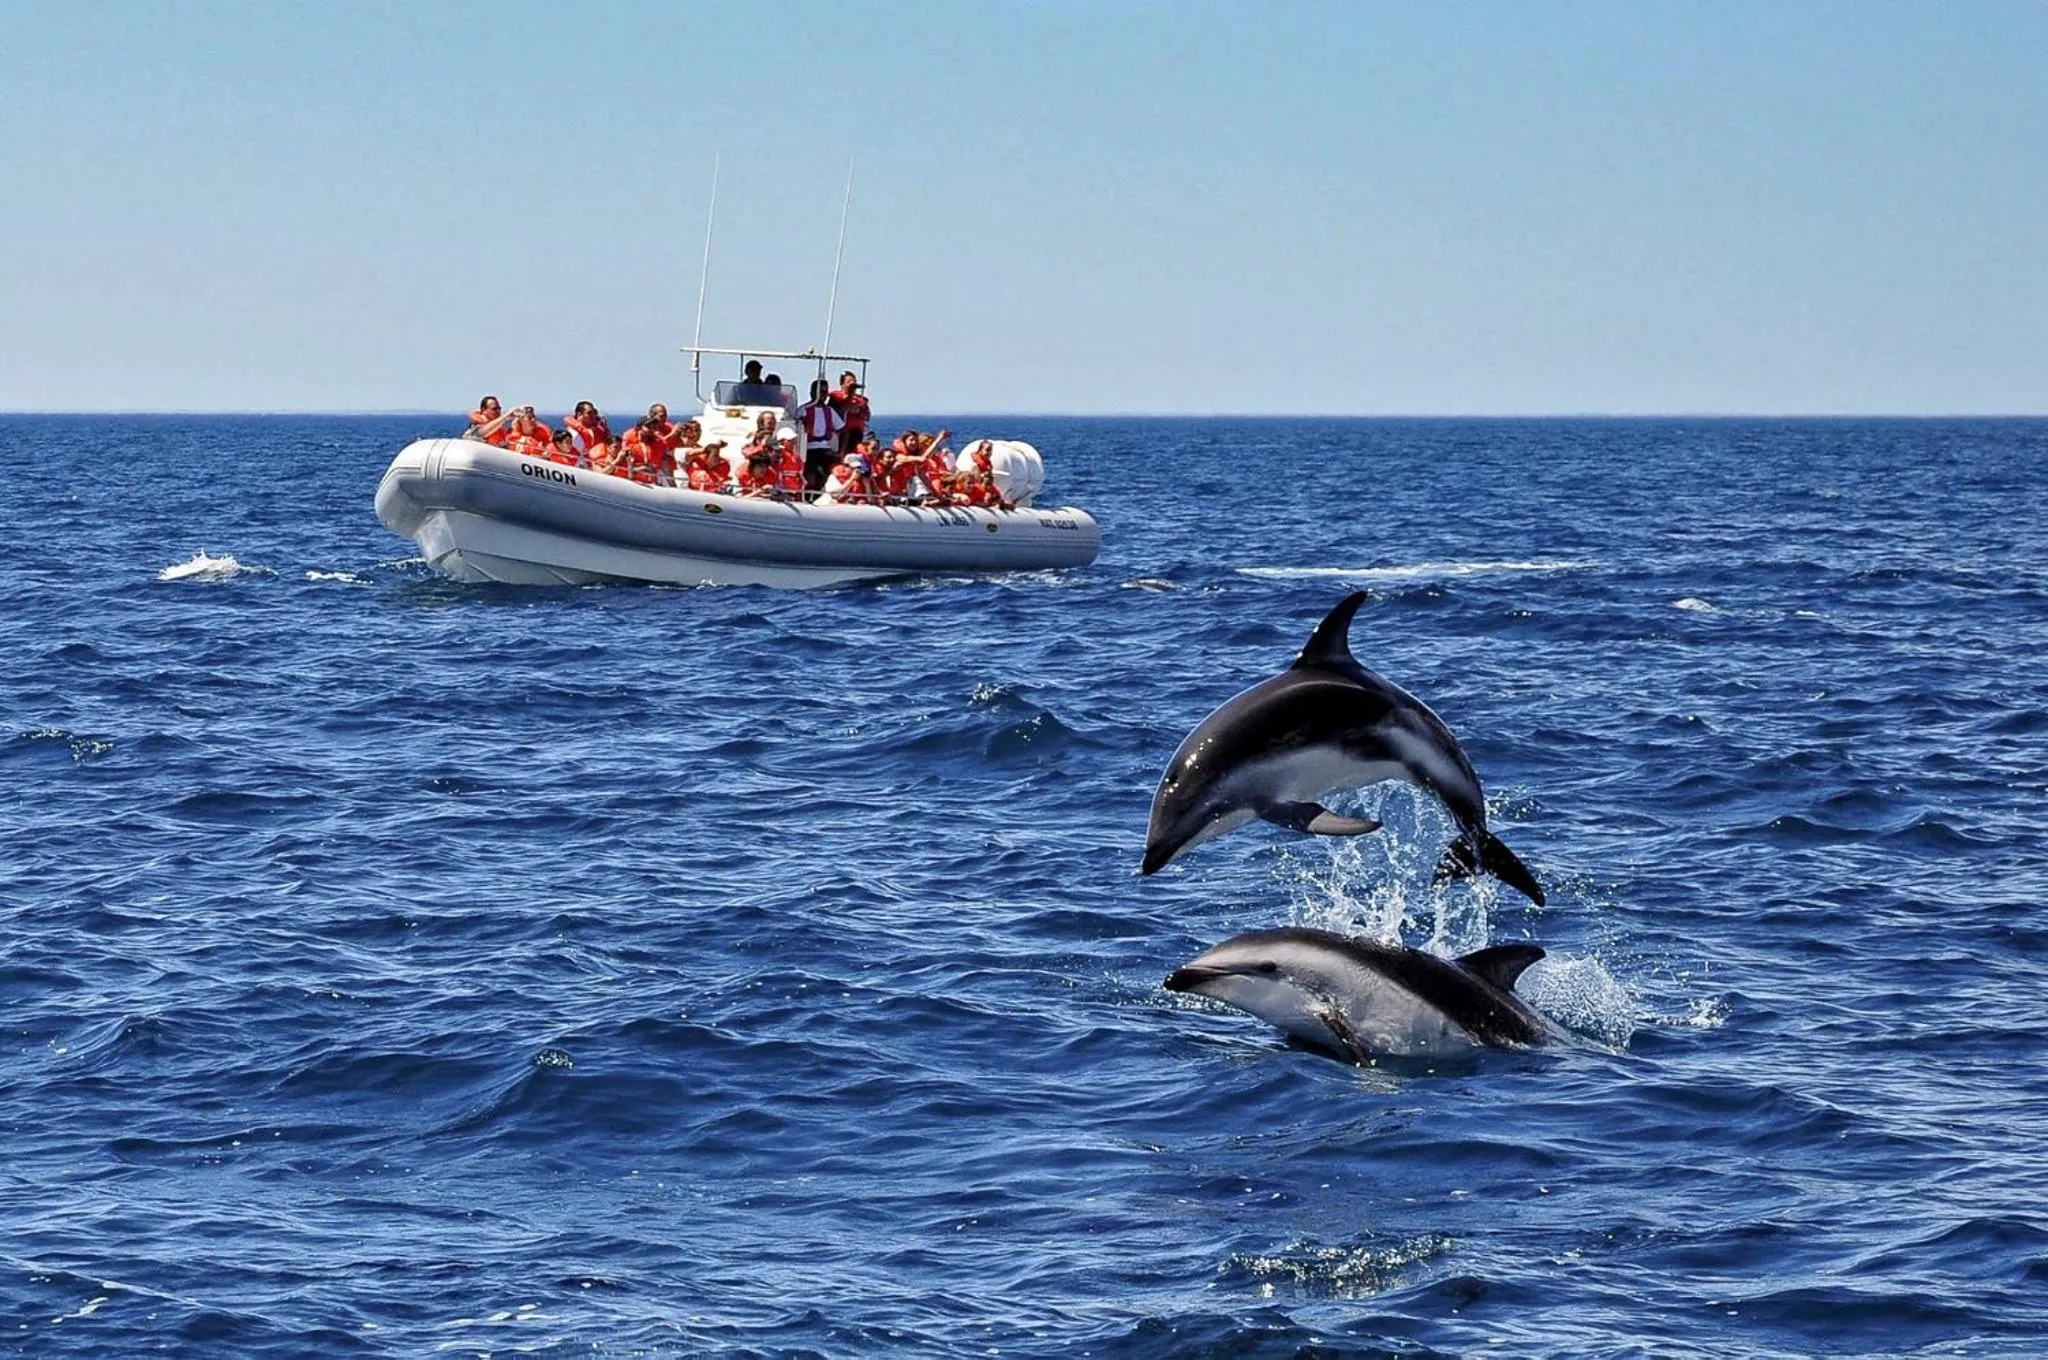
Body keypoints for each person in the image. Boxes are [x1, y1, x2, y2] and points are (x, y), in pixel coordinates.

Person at [798, 377, 846, 495]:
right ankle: (809, 495)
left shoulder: (829, 411)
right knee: (812, 473)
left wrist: (841, 451)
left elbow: (842, 430)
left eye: (825, 392)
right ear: (812, 392)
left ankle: (825, 494)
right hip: (808, 448)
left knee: (833, 469)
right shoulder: (803, 410)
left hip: (825, 448)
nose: (823, 395)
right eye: (821, 392)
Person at [831, 370, 870, 454]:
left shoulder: (862, 399)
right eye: (848, 382)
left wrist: (859, 410)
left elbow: (866, 416)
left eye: (854, 381)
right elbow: (843, 407)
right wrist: (850, 393)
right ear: (842, 384)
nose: (852, 384)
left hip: (856, 433)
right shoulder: (835, 396)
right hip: (840, 432)